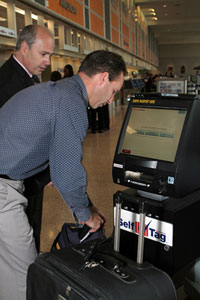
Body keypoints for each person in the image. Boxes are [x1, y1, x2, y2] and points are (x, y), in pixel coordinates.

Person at [0, 49, 126, 300]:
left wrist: (86, 203)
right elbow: (67, 170)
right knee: (27, 273)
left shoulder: (58, 90)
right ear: (102, 77)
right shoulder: (71, 103)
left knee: (7, 267)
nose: (112, 100)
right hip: (3, 189)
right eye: (114, 91)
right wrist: (84, 214)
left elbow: (55, 160)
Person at [0, 24, 55, 253]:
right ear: (24, 47)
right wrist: (45, 173)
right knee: (25, 240)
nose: (48, 62)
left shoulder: (23, 77)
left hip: (24, 176)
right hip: (20, 180)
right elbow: (22, 139)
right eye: (44, 54)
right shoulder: (13, 83)